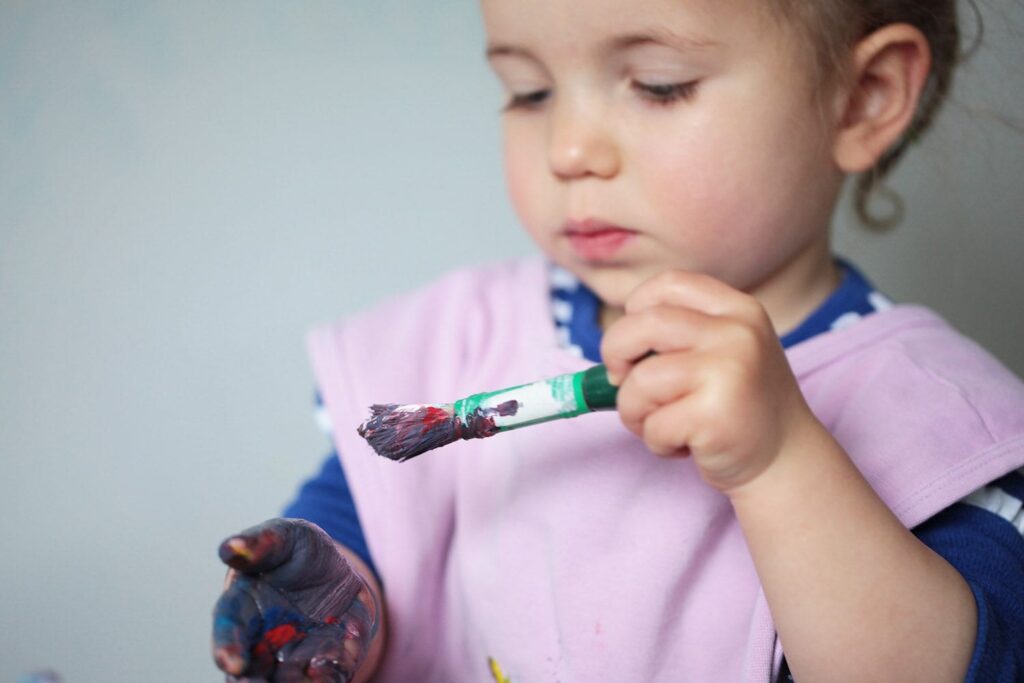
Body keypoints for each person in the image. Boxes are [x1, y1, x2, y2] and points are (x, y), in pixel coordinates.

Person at [211, 0, 1024, 680]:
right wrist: (334, 606)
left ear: (864, 97)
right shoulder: (461, 338)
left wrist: (780, 462)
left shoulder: (944, 418)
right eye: (529, 93)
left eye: (658, 86)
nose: (569, 150)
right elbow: (368, 519)